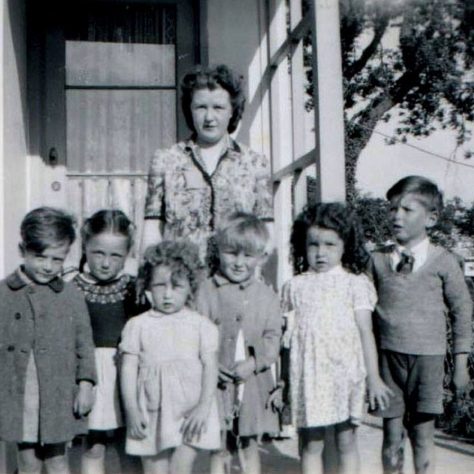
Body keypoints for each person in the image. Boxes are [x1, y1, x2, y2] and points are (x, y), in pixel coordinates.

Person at [369, 176, 472, 474]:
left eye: (406, 209)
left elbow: (462, 311)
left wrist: (461, 362)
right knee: (391, 436)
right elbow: (363, 313)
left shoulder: (444, 262)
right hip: (388, 358)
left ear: (431, 219)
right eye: (392, 209)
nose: (396, 216)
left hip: (428, 359)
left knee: (423, 434)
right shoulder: (377, 261)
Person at [281, 203, 392, 474]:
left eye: (330, 244)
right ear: (302, 246)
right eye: (313, 245)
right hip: (309, 377)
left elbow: (366, 332)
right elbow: (287, 340)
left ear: (345, 245)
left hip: (345, 375)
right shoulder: (294, 286)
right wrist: (283, 381)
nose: (321, 253)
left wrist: (374, 378)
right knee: (311, 444)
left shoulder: (355, 284)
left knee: (346, 441)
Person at [141, 64, 273, 268]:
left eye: (218, 108)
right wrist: (149, 277)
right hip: (181, 284)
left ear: (232, 111)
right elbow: (153, 230)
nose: (209, 117)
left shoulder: (255, 164)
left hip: (235, 286)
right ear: (190, 110)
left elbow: (266, 235)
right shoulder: (166, 161)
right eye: (201, 107)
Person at [0, 207, 96, 474]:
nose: (48, 266)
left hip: (58, 392)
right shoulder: (3, 295)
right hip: (20, 394)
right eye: (39, 256)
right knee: (28, 462)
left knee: (57, 461)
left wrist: (86, 384)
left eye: (57, 259)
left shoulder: (71, 296)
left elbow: (84, 344)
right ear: (22, 249)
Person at [120, 240, 220, 474]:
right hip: (153, 411)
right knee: (155, 470)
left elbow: (210, 367)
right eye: (159, 286)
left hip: (192, 411)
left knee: (180, 469)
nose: (167, 295)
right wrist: (132, 410)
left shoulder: (201, 326)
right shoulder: (138, 326)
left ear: (190, 288)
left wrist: (204, 406)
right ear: (147, 286)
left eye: (176, 287)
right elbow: (128, 369)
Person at [196, 213, 282, 474]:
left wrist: (255, 362)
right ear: (219, 251)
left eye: (247, 256)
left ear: (259, 257)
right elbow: (196, 332)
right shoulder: (207, 290)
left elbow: (273, 336)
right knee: (218, 444)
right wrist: (210, 363)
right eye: (232, 253)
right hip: (217, 380)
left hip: (252, 382)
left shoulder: (266, 295)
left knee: (248, 443)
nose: (238, 262)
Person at [74, 210, 149, 474]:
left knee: (128, 444)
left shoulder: (135, 290)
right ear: (85, 246)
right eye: (98, 253)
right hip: (90, 377)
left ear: (127, 254)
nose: (106, 263)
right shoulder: (72, 288)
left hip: (126, 376)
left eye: (115, 255)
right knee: (94, 446)